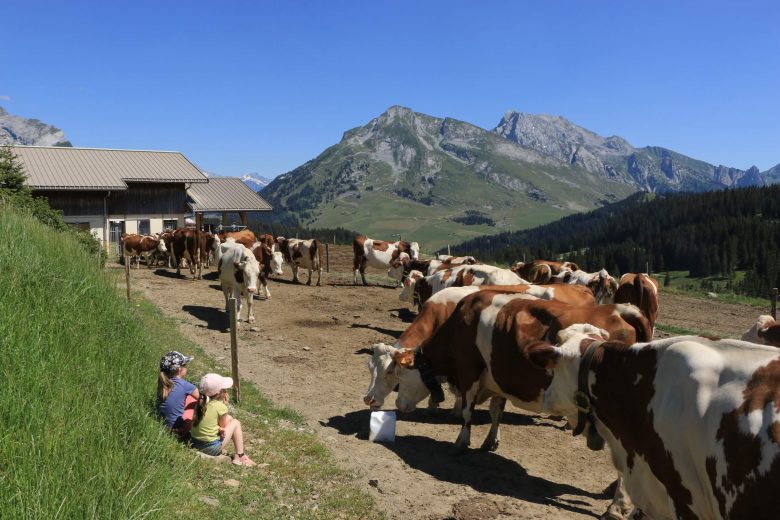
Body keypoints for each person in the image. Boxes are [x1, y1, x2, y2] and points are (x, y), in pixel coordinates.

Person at [189, 373, 257, 466]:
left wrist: (218, 428)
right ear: (219, 392)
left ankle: (239, 454)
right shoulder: (220, 406)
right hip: (210, 448)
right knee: (235, 422)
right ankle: (240, 456)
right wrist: (225, 405)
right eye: (224, 389)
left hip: (194, 442)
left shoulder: (199, 404)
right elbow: (224, 427)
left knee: (229, 418)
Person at [157, 351, 199, 439]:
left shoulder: (162, 384)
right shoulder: (184, 385)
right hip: (179, 430)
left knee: (186, 398)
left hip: (162, 427)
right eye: (185, 365)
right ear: (180, 370)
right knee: (193, 400)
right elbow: (203, 398)